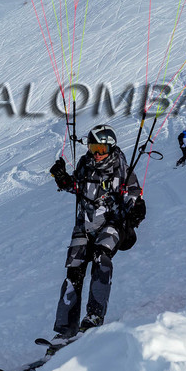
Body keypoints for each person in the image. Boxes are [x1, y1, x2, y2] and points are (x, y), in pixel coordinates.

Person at [48, 125, 144, 338]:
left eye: (102, 149)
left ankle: (94, 316)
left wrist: (136, 208)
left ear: (111, 148)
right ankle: (65, 329)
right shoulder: (85, 164)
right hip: (84, 225)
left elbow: (133, 193)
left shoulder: (120, 167)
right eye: (93, 148)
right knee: (73, 271)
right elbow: (77, 187)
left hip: (111, 223)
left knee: (101, 257)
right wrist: (62, 178)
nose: (97, 154)